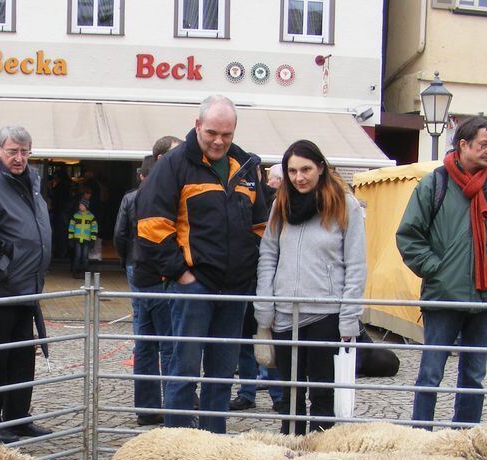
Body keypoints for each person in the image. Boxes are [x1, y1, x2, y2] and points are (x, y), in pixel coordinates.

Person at [136, 95, 269, 433]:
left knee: (222, 374)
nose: (219, 141)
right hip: (194, 287)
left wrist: (247, 264)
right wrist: (181, 273)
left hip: (234, 290)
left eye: (226, 133)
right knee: (183, 370)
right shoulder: (174, 164)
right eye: (211, 132)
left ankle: (214, 444)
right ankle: (179, 445)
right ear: (197, 126)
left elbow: (261, 225)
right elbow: (152, 224)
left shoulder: (246, 166)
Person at [397, 116, 487, 428]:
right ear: (463, 144)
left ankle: (466, 437)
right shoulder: (434, 183)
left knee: (474, 376)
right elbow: (409, 236)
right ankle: (420, 436)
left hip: (485, 296)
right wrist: (436, 270)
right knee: (430, 373)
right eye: (484, 144)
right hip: (443, 295)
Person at [254, 139, 366, 434]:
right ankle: (291, 456)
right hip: (285, 314)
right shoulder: (281, 204)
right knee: (290, 398)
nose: (299, 177)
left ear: (320, 167)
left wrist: (349, 317)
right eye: (292, 171)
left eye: (305, 169)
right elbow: (268, 255)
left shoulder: (345, 205)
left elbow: (356, 264)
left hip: (325, 313)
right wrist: (265, 307)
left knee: (322, 396)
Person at [0, 125, 53, 443]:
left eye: (24, 151)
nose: (19, 158)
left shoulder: (30, 179)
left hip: (27, 286)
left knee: (21, 355)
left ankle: (17, 417)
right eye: (13, 151)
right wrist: (0, 270)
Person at [114, 155, 170, 426]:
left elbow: (120, 235)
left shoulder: (130, 198)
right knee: (168, 342)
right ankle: (174, 407)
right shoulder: (162, 195)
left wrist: (128, 263)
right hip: (156, 274)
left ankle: (147, 408)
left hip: (137, 270)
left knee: (145, 340)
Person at [232, 162, 286, 413]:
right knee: (245, 341)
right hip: (242, 280)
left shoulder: (273, 202)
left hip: (264, 283)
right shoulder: (234, 197)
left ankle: (278, 394)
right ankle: (247, 392)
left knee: (268, 339)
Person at [67, 199, 97, 277]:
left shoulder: (91, 216)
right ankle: (75, 272)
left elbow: (94, 229)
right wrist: (70, 238)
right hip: (77, 239)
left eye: (81, 205)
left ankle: (85, 274)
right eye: (79, 205)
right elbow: (71, 227)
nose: (80, 206)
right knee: (77, 256)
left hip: (86, 239)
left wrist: (93, 239)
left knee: (85, 257)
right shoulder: (75, 215)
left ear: (86, 206)